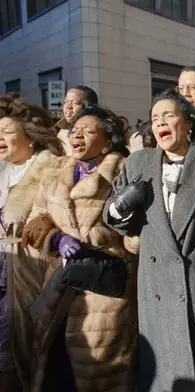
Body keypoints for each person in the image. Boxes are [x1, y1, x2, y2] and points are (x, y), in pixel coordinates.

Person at [104, 89, 195, 391]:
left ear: (187, 123)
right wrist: (120, 206)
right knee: (164, 376)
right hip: (156, 288)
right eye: (155, 118)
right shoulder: (138, 163)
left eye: (169, 115)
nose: (161, 122)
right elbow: (114, 218)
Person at [20, 104, 137, 392]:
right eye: (75, 130)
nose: (78, 135)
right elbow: (34, 222)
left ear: (108, 141)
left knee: (102, 369)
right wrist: (56, 239)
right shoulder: (54, 170)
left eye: (88, 131)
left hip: (105, 292)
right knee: (54, 368)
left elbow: (136, 234)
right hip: (59, 285)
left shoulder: (125, 172)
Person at [0, 96, 64, 392]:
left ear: (29, 137)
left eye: (7, 132)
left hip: (27, 275)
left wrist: (48, 220)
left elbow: (68, 212)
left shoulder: (52, 169)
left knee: (19, 354)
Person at [57, 86, 99, 155]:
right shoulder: (60, 132)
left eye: (75, 103)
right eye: (65, 102)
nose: (68, 106)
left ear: (89, 107)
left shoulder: (99, 131)